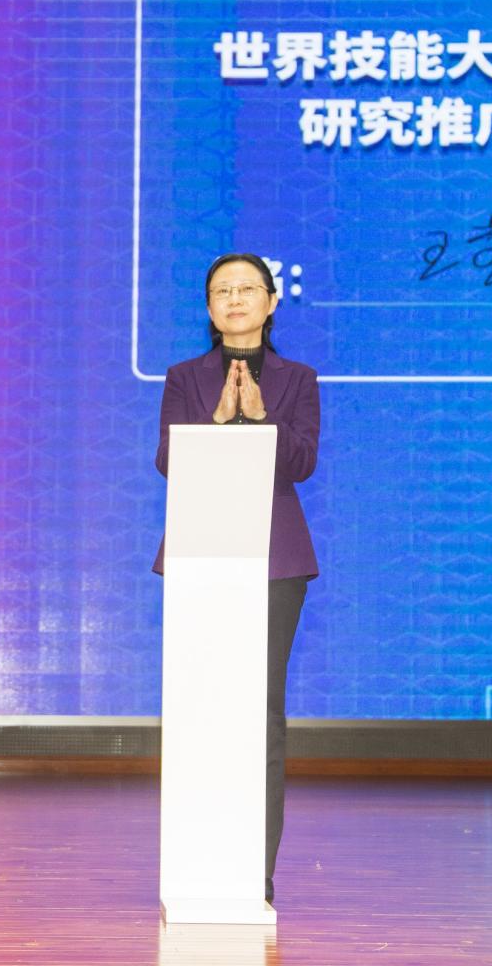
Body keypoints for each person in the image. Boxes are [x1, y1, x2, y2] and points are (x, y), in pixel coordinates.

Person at [154, 252, 320, 906]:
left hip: (275, 561)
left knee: (261, 715)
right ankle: (198, 865)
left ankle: (256, 873)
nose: (235, 298)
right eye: (222, 290)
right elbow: (170, 459)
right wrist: (219, 422)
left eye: (248, 288)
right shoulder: (184, 377)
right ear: (209, 307)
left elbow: (301, 462)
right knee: (200, 710)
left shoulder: (298, 378)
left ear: (272, 302)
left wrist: (262, 420)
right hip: (200, 555)